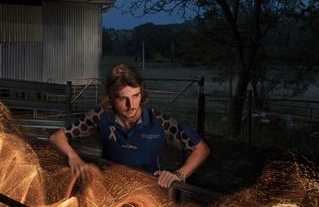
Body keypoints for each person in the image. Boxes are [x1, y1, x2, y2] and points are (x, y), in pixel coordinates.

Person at [50, 64, 210, 188]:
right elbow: (57, 137)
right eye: (122, 99)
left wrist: (179, 174)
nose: (131, 105)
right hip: (111, 191)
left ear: (142, 93)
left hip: (150, 193)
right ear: (111, 97)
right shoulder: (101, 116)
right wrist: (73, 156)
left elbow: (201, 149)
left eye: (136, 96)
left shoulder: (160, 121)